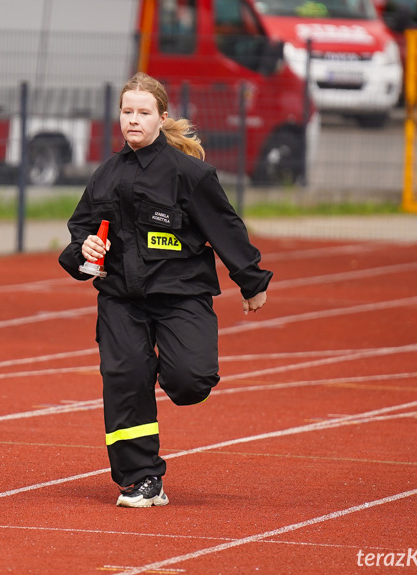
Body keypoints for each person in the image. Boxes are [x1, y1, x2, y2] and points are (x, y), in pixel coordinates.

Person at [58, 72, 272, 508]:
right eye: (127, 112)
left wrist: (250, 280)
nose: (133, 120)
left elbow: (225, 227)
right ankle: (141, 479)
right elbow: (79, 235)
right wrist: (85, 248)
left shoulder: (189, 174)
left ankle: (161, 369)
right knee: (125, 379)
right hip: (120, 299)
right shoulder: (104, 176)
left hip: (180, 297)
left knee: (191, 381)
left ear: (161, 118)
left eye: (143, 112)